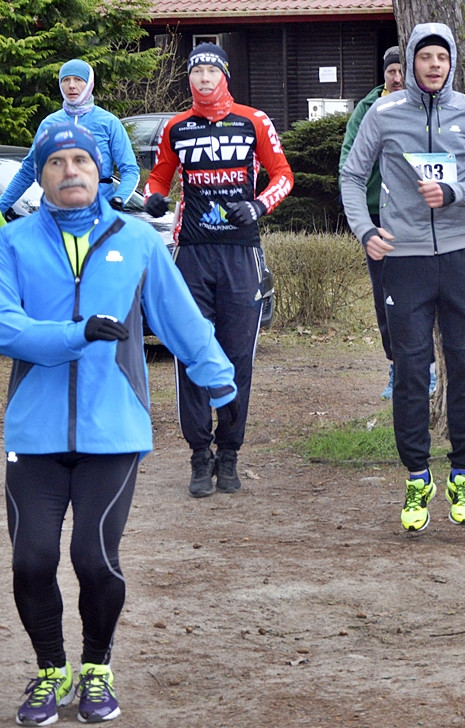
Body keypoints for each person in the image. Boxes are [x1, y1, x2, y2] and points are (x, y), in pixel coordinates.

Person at [0, 122, 236, 726]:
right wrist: (74, 336)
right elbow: (6, 328)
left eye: (82, 160)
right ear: (42, 174)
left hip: (114, 428)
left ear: (101, 171)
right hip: (33, 431)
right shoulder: (14, 242)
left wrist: (216, 373)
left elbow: (178, 313)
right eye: (57, 163)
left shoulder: (137, 241)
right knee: (30, 561)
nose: (71, 171)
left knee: (93, 557)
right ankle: (51, 671)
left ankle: (96, 667)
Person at [341, 23, 465, 531]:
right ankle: (417, 477)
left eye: (442, 57)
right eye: (425, 56)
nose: (434, 65)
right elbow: (351, 174)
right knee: (410, 371)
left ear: (452, 62)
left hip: (463, 254)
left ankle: (462, 474)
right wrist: (365, 229)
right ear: (410, 63)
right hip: (404, 258)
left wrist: (456, 194)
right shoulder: (384, 112)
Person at [144, 43, 293, 498]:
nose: (204, 79)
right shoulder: (176, 126)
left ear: (224, 75)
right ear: (189, 80)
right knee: (190, 353)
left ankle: (230, 454)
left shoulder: (253, 120)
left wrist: (257, 205)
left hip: (240, 255)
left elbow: (283, 175)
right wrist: (153, 197)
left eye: (211, 71)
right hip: (191, 255)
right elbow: (158, 178)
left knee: (235, 359)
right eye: (197, 72)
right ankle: (198, 455)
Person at [338, 46, 436, 400]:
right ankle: (396, 365)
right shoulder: (367, 111)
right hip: (380, 216)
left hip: (423, 214)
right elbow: (349, 163)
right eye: (390, 71)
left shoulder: (425, 107)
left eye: (401, 71)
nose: (397, 78)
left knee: (428, 294)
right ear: (384, 74)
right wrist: (361, 217)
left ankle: (430, 367)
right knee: (386, 297)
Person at [0, 59, 139, 220]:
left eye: (78, 80)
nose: (71, 85)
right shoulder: (49, 123)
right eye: (66, 80)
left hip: (100, 214)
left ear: (89, 84)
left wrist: (119, 199)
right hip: (58, 216)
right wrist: (1, 205)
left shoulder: (109, 122)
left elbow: (130, 170)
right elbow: (28, 170)